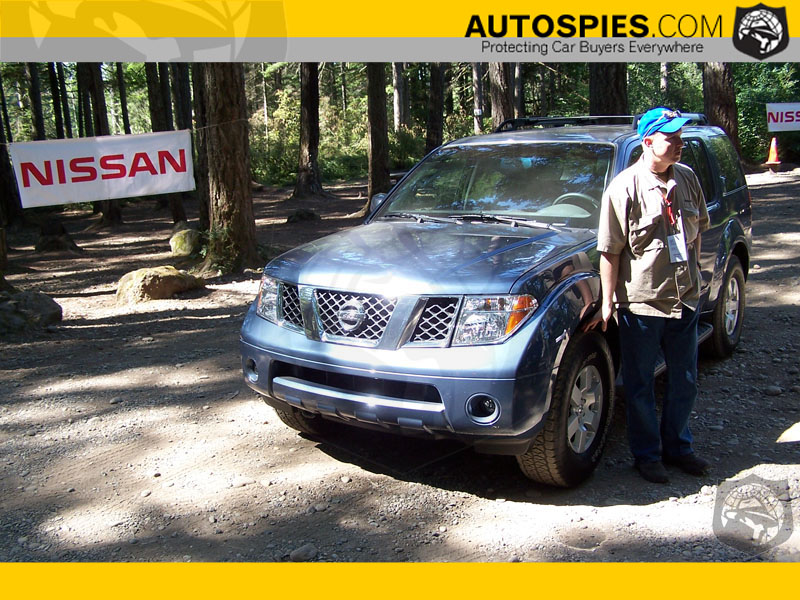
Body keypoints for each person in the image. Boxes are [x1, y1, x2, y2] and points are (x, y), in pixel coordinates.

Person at [591, 107, 711, 483]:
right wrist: (608, 302)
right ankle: (647, 456)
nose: (678, 143)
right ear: (647, 142)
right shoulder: (623, 187)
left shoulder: (687, 178)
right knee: (640, 383)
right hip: (642, 303)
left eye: (679, 137)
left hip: (685, 297)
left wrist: (697, 273)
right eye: (670, 138)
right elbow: (609, 251)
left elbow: (698, 230)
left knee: (685, 378)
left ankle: (679, 447)